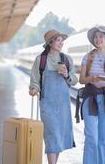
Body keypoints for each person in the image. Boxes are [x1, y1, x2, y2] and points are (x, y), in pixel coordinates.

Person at [29, 29, 78, 164]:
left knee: (58, 138)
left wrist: (67, 75)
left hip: (63, 105)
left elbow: (74, 80)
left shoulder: (67, 59)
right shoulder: (41, 60)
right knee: (51, 136)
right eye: (58, 40)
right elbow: (35, 80)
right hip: (47, 104)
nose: (61, 43)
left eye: (62, 40)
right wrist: (34, 89)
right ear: (50, 43)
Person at [79, 25, 105, 164]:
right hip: (90, 97)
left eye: (101, 37)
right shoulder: (88, 57)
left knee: (103, 139)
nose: (98, 39)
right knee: (91, 136)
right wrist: (92, 78)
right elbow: (81, 79)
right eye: (95, 37)